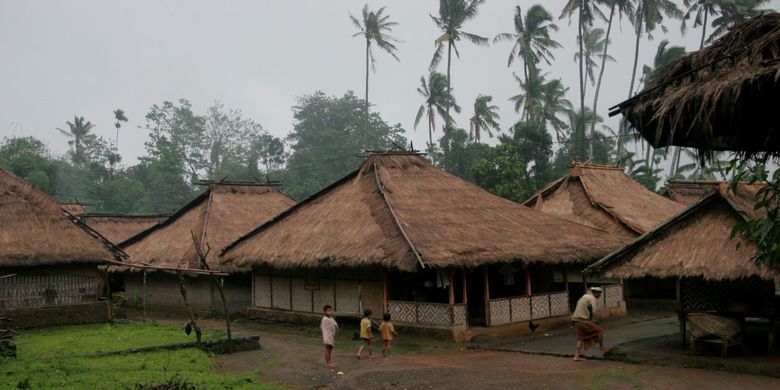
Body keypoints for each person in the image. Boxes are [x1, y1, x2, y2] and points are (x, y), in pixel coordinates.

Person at [572, 286, 605, 361]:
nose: (599, 295)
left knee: (580, 338)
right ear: (595, 293)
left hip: (576, 321)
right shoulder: (592, 298)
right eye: (599, 294)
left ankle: (576, 356)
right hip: (583, 321)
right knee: (600, 331)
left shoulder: (584, 297)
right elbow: (593, 311)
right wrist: (594, 321)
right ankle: (602, 349)